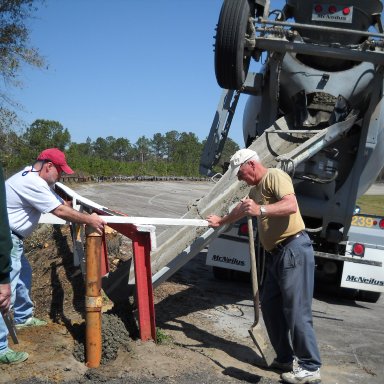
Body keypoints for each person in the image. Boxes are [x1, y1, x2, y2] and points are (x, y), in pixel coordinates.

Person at [207, 148, 322, 384]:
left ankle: (310, 367)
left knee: (296, 310)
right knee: (268, 305)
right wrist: (221, 221)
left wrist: (261, 210)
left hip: (294, 249)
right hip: (277, 255)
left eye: (240, 173)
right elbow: (242, 209)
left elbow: (290, 205)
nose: (239, 178)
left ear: (251, 165)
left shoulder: (275, 177)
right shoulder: (255, 189)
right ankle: (284, 358)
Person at [0, 148, 106, 365]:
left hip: (13, 239)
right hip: (8, 241)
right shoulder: (33, 183)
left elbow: (58, 202)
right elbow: (58, 211)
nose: (62, 176)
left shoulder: (30, 174)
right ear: (49, 166)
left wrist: (68, 205)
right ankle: (1, 347)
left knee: (23, 277)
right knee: (3, 293)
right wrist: (89, 220)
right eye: (60, 172)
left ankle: (22, 316)